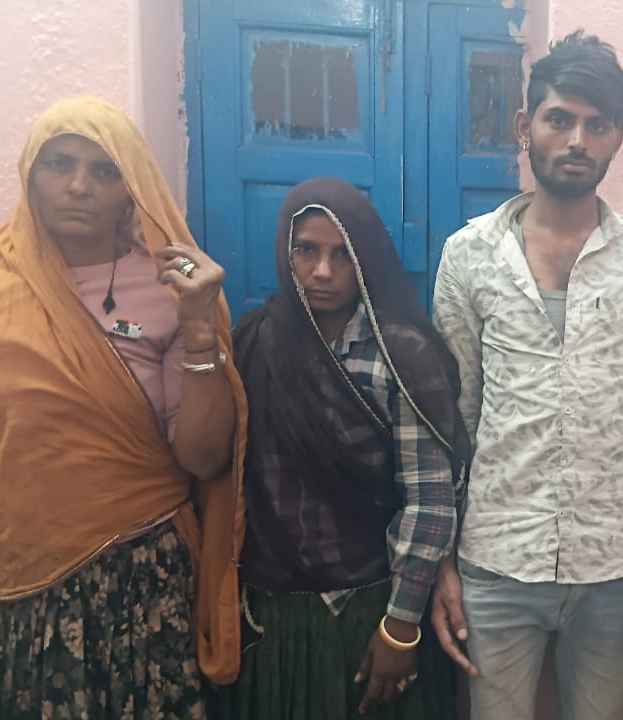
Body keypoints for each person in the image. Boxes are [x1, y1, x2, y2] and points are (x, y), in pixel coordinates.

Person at [0, 96, 247, 718]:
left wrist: (199, 327)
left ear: (132, 189)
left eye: (104, 171)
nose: (79, 186)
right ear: (30, 174)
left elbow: (204, 458)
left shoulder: (174, 292)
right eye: (59, 164)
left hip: (132, 586)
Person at [429, 30, 623, 720]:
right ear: (525, 126)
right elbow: (452, 419)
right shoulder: (469, 255)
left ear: (618, 136)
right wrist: (443, 563)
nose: (578, 140)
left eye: (597, 124)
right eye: (560, 119)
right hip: (496, 560)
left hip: (616, 567)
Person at [214, 178, 469, 720]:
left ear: (367, 260)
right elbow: (224, 476)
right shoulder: (252, 342)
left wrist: (400, 626)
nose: (323, 271)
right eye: (306, 250)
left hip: (369, 606)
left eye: (343, 254)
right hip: (270, 611)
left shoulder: (401, 355)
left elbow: (429, 500)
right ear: (285, 253)